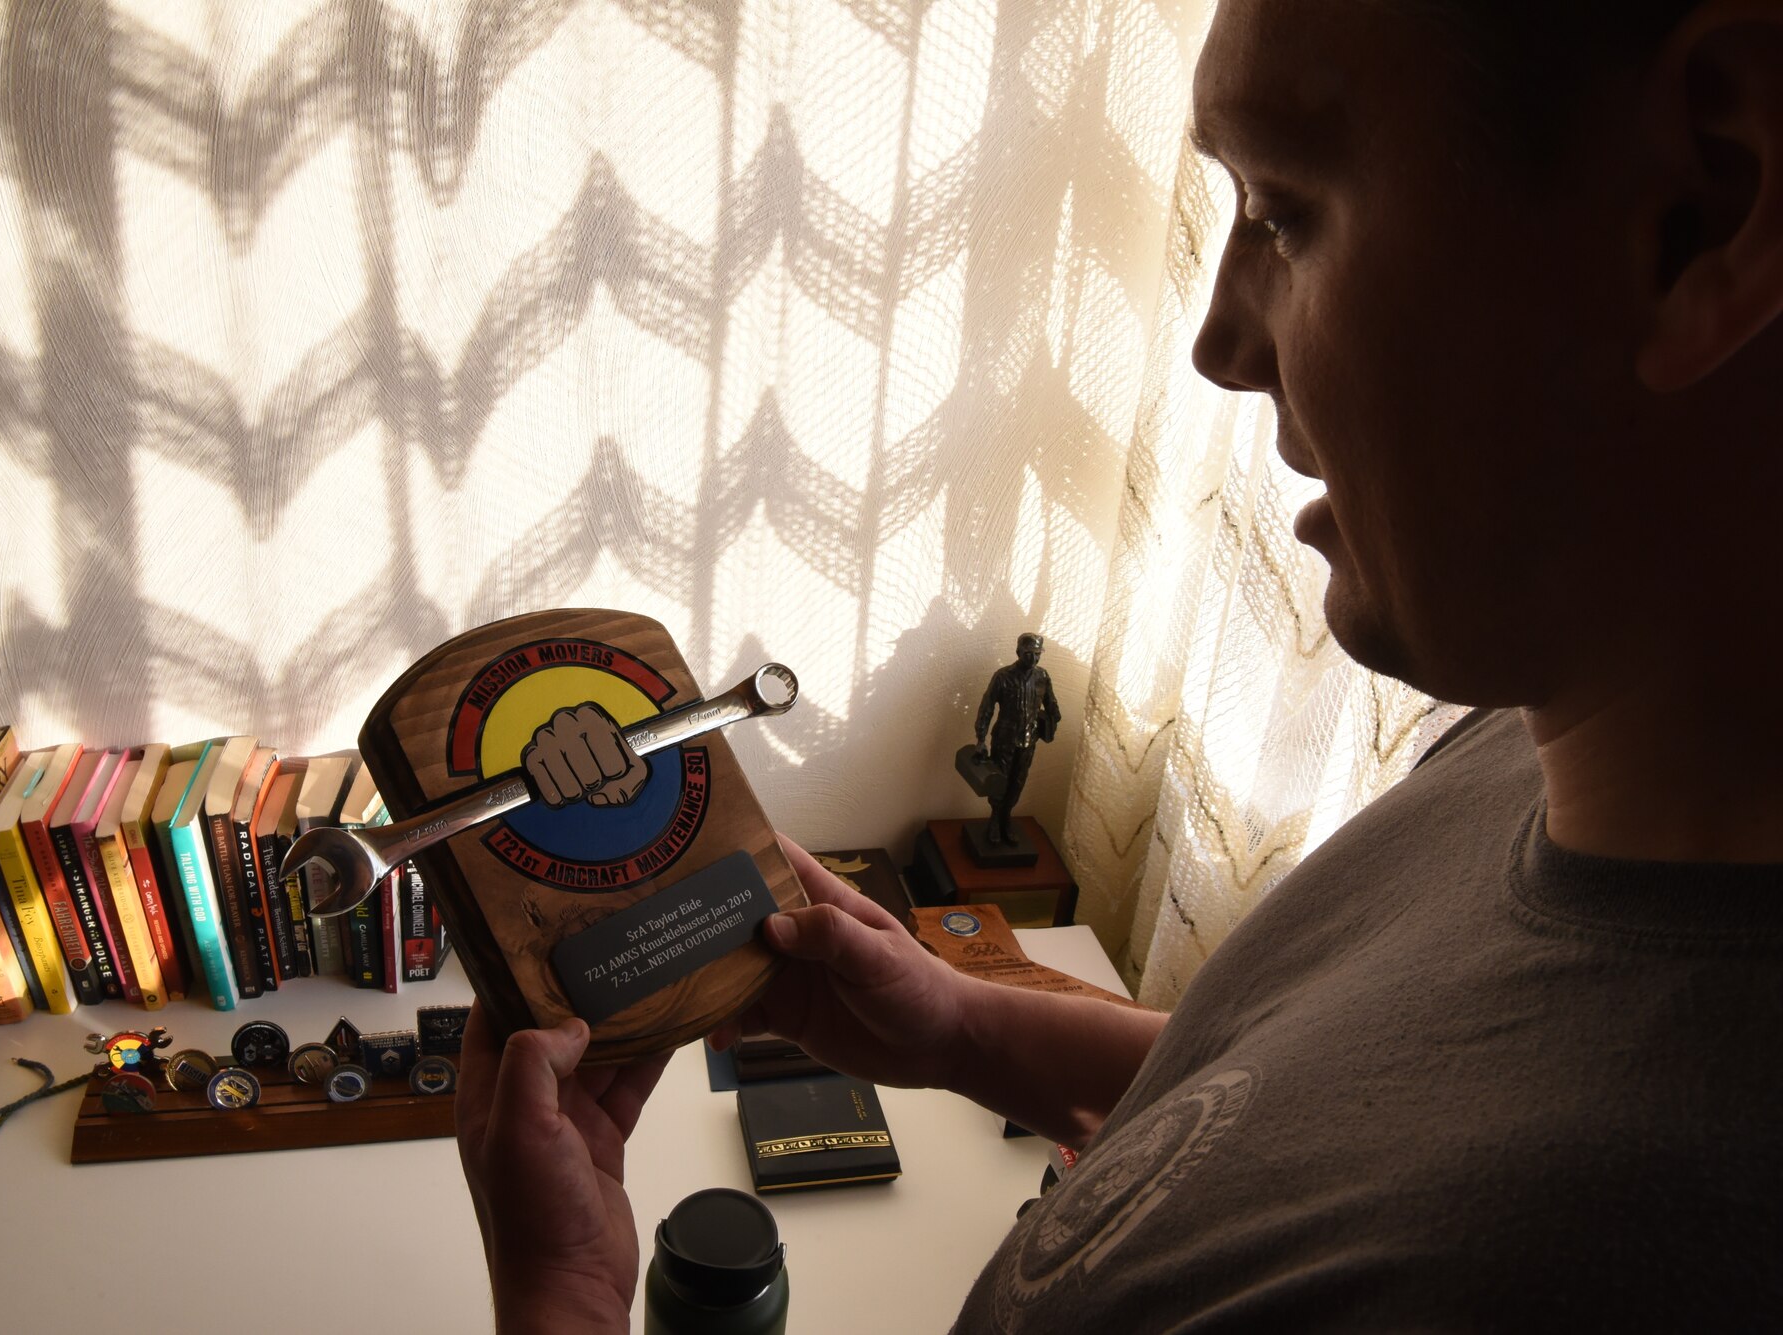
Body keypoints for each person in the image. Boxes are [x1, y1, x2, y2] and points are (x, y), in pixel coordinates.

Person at [457, 0, 1783, 1327]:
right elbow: (1311, 1108)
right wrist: (966, 1028)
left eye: (1284, 210)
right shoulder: (1543, 740)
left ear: (1702, 211)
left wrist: (563, 1294)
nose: (1220, 343)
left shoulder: (1584, 1261)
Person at [971, 633, 1062, 846]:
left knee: (1018, 781)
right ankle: (994, 819)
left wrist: (1053, 719)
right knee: (999, 781)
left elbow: (1051, 703)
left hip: (1029, 739)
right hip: (1005, 739)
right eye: (1029, 653)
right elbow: (986, 707)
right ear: (1019, 652)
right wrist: (981, 739)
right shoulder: (1003, 676)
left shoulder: (1043, 677)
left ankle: (1006, 818)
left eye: (1037, 654)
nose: (1033, 659)